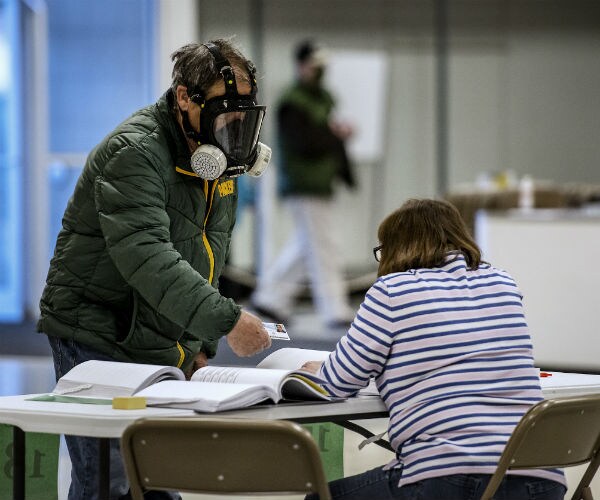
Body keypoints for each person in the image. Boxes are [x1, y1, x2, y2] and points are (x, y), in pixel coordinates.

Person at [37, 39, 272, 500]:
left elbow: (210, 252)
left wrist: (198, 344)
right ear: (184, 97)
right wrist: (224, 321)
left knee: (158, 475)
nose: (234, 129)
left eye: (242, 116)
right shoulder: (135, 153)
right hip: (97, 331)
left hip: (155, 330)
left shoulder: (216, 161)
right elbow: (148, 258)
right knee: (108, 480)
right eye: (225, 113)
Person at [301, 198, 566, 500]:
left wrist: (315, 372)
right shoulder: (503, 283)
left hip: (448, 475)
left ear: (396, 247)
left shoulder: (392, 291)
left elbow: (337, 383)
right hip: (540, 477)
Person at [251, 39, 356, 328]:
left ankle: (271, 299)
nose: (319, 72)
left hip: (320, 183)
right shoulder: (293, 102)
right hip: (303, 184)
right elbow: (303, 144)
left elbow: (323, 136)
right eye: (314, 66)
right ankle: (334, 307)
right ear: (301, 65)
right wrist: (336, 135)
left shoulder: (322, 98)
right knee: (324, 246)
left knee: (305, 244)